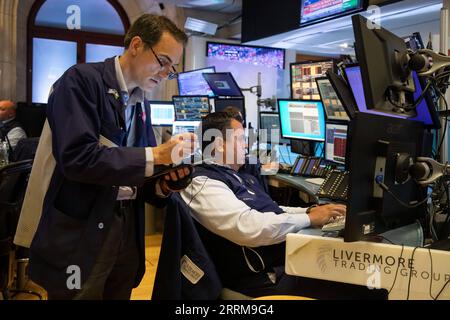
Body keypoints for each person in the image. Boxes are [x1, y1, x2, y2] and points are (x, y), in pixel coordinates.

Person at [14, 14, 195, 300]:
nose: (165, 73)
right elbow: (78, 158)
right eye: (163, 62)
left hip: (126, 229)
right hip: (81, 231)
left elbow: (138, 170)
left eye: (171, 69)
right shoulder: (81, 80)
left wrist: (164, 184)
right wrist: (155, 155)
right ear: (136, 45)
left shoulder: (140, 103)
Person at [179, 112, 348, 298]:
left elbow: (272, 209)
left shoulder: (236, 175)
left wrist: (309, 211)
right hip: (264, 278)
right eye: (241, 139)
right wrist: (309, 218)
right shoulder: (203, 183)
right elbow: (249, 227)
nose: (246, 145)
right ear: (219, 144)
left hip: (282, 264)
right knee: (349, 288)